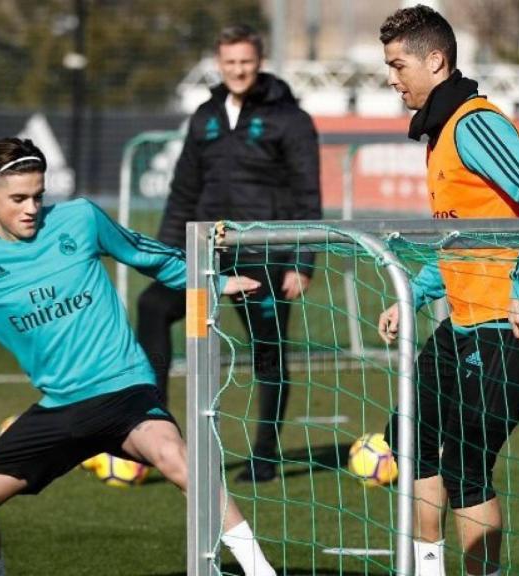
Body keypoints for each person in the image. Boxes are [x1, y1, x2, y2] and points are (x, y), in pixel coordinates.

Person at [0, 138, 277, 576]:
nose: (31, 209)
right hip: (61, 409)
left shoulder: (79, 219)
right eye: (18, 198)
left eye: (38, 196)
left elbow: (147, 255)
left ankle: (261, 572)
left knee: (178, 458)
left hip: (124, 388)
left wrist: (214, 283)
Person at [374, 6, 519, 576]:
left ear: (436, 61)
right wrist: (410, 292)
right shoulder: (439, 132)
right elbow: (464, 239)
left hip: (513, 325)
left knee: (466, 464)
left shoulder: (473, 122)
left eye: (397, 64)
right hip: (464, 319)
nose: (392, 79)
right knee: (409, 436)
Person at [136, 24, 322, 484]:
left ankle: (264, 454)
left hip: (264, 256)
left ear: (258, 62)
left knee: (268, 352)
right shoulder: (205, 116)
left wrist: (302, 263)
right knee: (152, 306)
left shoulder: (291, 120)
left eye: (245, 62)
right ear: (219, 64)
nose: (237, 70)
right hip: (206, 255)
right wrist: (168, 255)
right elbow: (184, 190)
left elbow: (307, 195)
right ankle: (157, 432)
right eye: (229, 63)